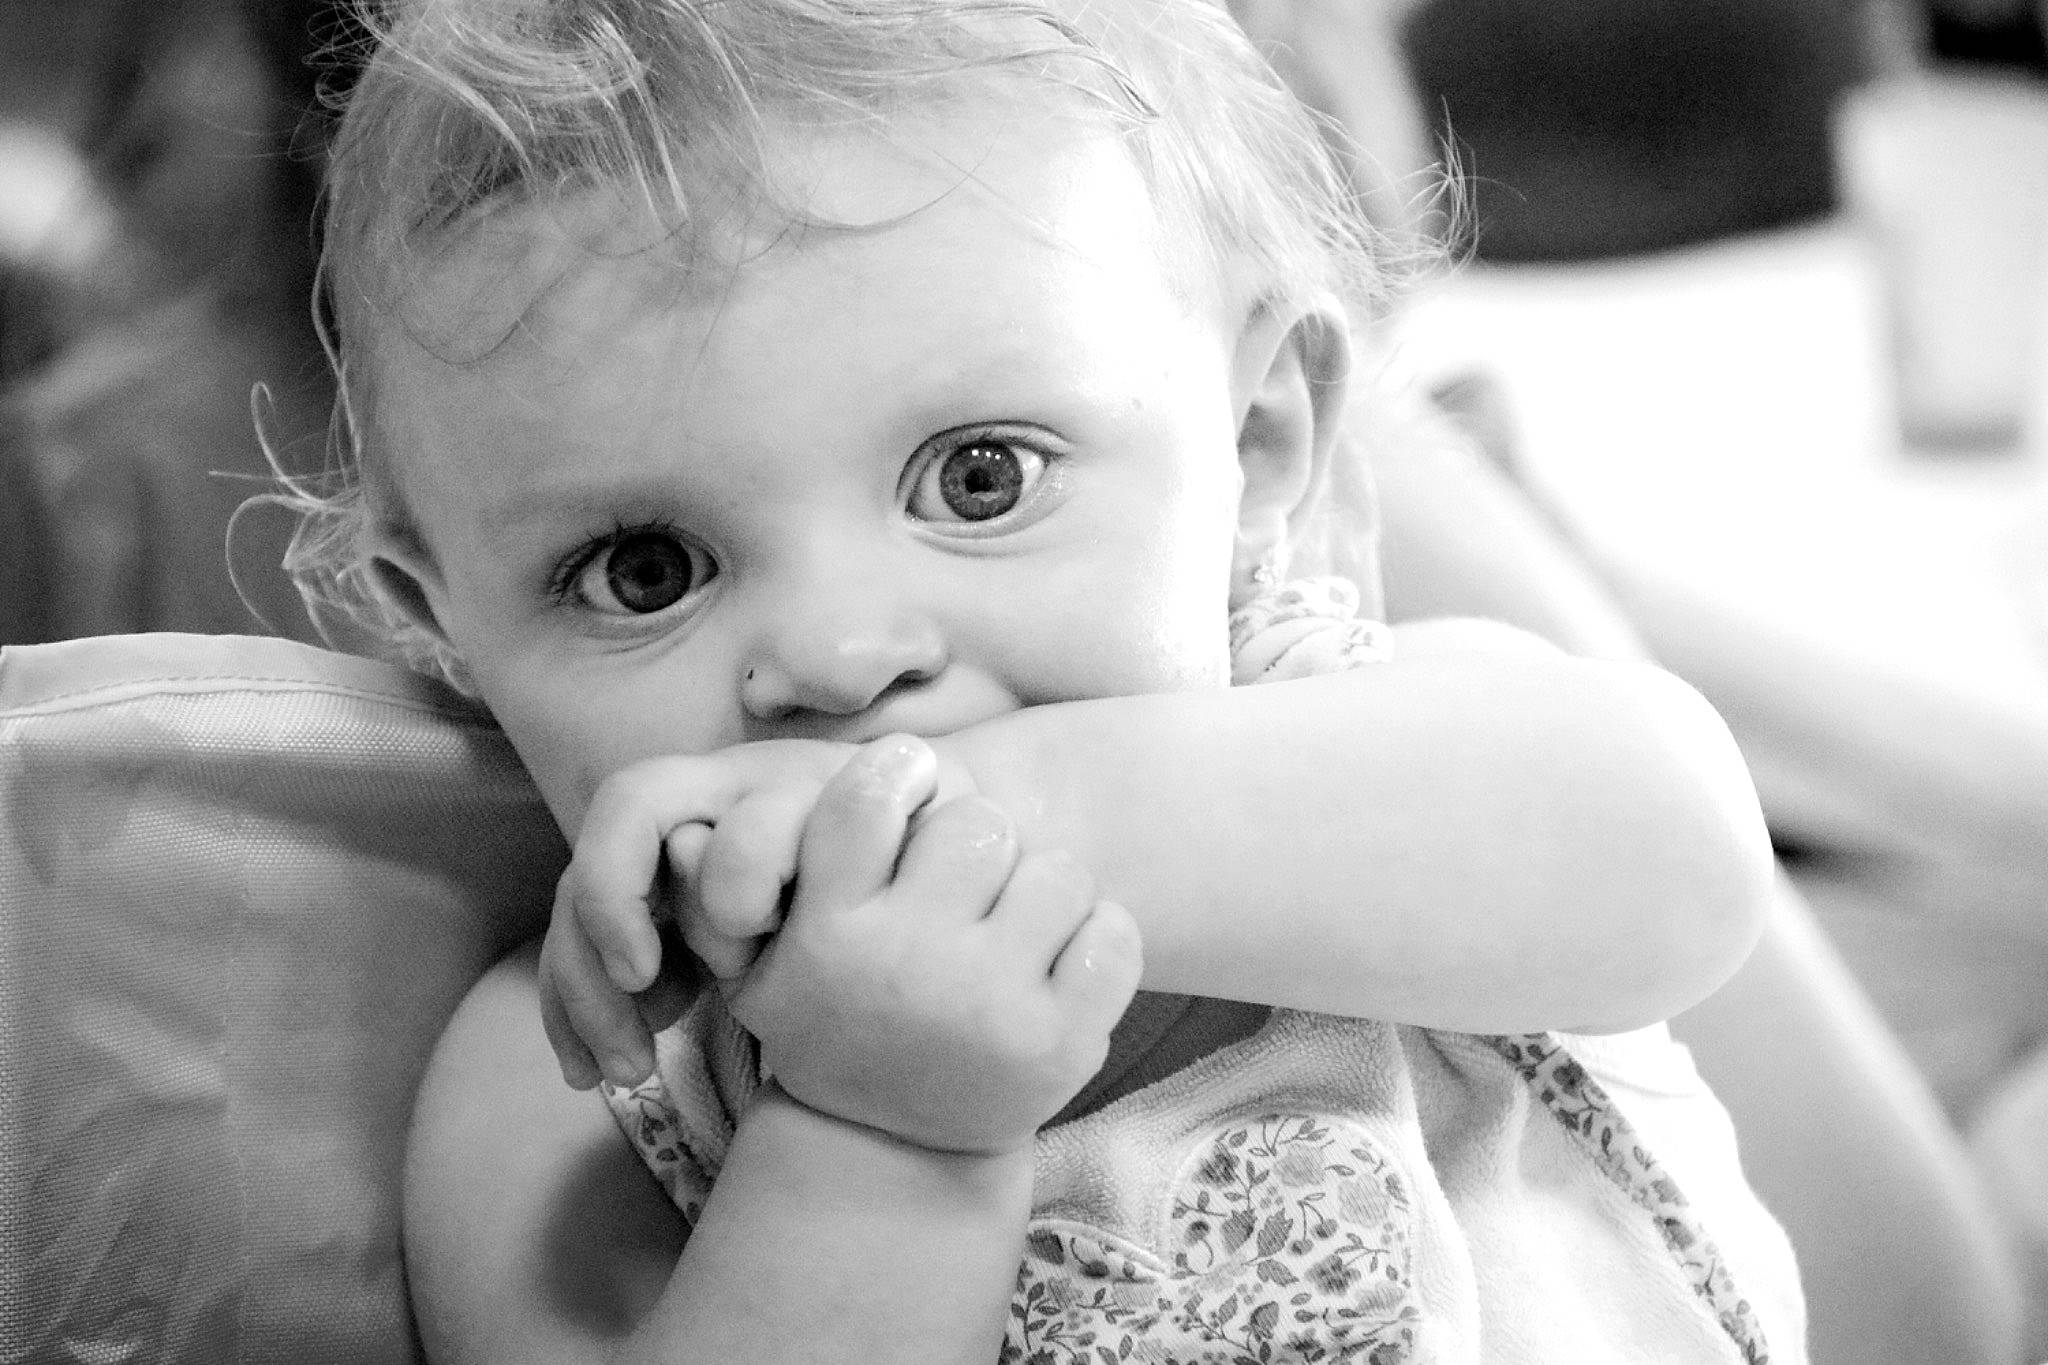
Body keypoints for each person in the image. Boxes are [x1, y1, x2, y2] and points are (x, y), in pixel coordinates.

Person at [287, 1, 1800, 1359]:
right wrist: (878, 1134)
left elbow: (1688, 865)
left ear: (1259, 439)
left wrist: (995, 817)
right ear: (445, 629)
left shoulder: (1386, 751)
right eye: (644, 571)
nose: (835, 654)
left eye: (981, 476)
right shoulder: (565, 1088)